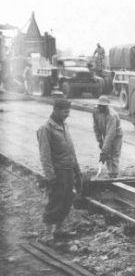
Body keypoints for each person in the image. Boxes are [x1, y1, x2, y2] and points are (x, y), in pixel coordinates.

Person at [37, 98, 81, 240]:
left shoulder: (64, 125)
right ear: (55, 110)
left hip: (68, 170)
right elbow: (45, 155)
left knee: (67, 199)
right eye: (64, 111)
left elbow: (71, 149)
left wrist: (77, 169)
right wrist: (50, 176)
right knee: (55, 200)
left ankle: (59, 229)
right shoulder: (46, 129)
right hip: (58, 172)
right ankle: (47, 234)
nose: (67, 114)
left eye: (68, 111)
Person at [92, 96, 123, 178]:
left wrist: (104, 151)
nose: (101, 108)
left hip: (116, 136)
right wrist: (100, 141)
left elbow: (110, 134)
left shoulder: (112, 115)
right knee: (107, 157)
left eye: (103, 106)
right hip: (106, 134)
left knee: (114, 157)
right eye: (100, 106)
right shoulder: (95, 111)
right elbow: (96, 127)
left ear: (107, 106)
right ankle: (110, 174)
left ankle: (114, 176)